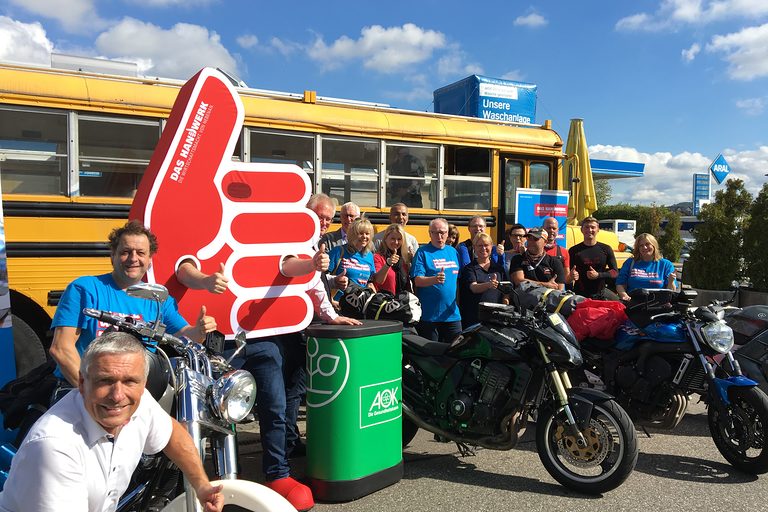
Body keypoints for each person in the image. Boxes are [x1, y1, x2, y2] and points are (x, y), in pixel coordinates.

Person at [0, 332, 224, 512]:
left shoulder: (140, 401)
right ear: (81, 382)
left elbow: (172, 433)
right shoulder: (55, 446)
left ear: (143, 383)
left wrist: (202, 486)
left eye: (129, 381)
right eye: (105, 381)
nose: (117, 395)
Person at [49, 220, 216, 387]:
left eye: (141, 253)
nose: (133, 258)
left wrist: (200, 330)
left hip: (136, 393)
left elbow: (185, 336)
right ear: (112, 255)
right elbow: (61, 349)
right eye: (126, 252)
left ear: (150, 259)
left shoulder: (159, 298)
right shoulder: (85, 289)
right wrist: (89, 392)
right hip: (81, 388)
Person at [411, 218, 461, 342]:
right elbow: (417, 280)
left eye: (443, 232)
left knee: (456, 351)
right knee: (432, 355)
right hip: (430, 316)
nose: (440, 236)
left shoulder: (453, 252)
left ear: (447, 234)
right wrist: (434, 279)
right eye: (436, 232)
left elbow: (457, 282)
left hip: (452, 315)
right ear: (430, 233)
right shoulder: (422, 252)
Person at [459, 232, 507, 328]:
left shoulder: (499, 268)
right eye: (479, 245)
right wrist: (488, 285)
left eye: (486, 245)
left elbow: (507, 289)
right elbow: (473, 287)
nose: (483, 248)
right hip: (474, 319)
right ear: (474, 248)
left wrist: (506, 303)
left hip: (495, 318)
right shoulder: (470, 268)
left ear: (491, 246)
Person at [569, 216, 619, 299]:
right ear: (581, 230)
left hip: (601, 294)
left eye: (593, 227)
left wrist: (598, 275)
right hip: (580, 295)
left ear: (598, 229)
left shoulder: (606, 249)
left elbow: (615, 272)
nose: (590, 230)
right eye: (587, 227)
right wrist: (572, 275)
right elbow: (568, 274)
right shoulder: (574, 250)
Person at [616, 233, 676, 301]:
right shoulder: (630, 263)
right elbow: (620, 284)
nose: (644, 247)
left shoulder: (665, 264)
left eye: (647, 244)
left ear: (654, 246)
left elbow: (671, 292)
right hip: (634, 305)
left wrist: (671, 281)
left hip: (658, 306)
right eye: (641, 245)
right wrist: (624, 295)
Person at [327, 218, 376, 300]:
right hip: (337, 303)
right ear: (352, 234)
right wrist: (331, 300)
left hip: (358, 305)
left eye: (367, 234)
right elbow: (322, 277)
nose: (364, 236)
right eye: (360, 233)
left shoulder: (369, 255)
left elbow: (369, 282)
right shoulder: (338, 251)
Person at [372, 223, 412, 295]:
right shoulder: (378, 257)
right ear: (386, 239)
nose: (396, 242)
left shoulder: (405, 259)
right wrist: (388, 264)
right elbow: (378, 280)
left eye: (399, 239)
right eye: (393, 239)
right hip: (385, 301)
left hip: (403, 302)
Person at [542, 216, 572, 285]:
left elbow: (566, 279)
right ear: (542, 229)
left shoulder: (564, 252)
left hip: (557, 293)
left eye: (554, 228)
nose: (551, 230)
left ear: (557, 230)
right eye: (548, 228)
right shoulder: (534, 249)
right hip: (537, 292)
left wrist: (571, 277)